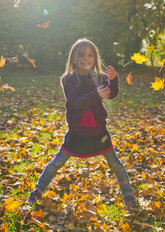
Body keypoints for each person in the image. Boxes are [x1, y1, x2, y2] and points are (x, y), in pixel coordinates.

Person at [28, 38, 137, 209]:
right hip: (77, 133)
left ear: (95, 58)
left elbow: (112, 94)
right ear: (73, 58)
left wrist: (114, 79)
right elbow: (75, 102)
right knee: (56, 162)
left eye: (90, 55)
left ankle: (128, 196)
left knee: (115, 164)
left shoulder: (100, 77)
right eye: (81, 55)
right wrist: (95, 94)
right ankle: (38, 190)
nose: (86, 59)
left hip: (98, 132)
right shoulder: (68, 79)